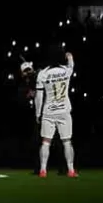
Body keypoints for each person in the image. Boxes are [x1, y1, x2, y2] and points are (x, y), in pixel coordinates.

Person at [36, 49, 78, 178]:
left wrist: (38, 113)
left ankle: (43, 170)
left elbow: (38, 96)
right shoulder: (66, 71)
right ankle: (71, 170)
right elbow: (72, 66)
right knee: (67, 142)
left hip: (48, 112)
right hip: (64, 111)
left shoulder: (42, 73)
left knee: (46, 142)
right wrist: (70, 57)